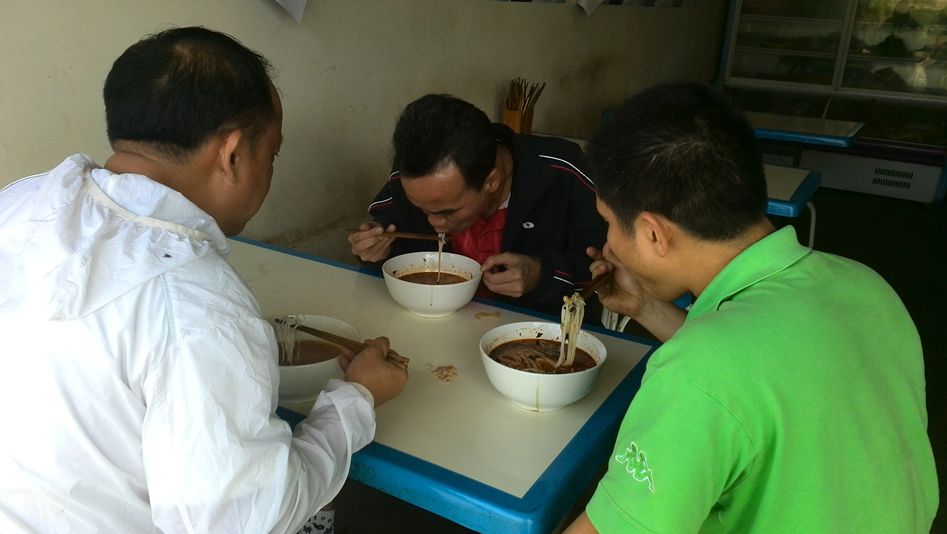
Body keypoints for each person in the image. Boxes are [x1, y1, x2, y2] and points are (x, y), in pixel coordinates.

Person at [0, 27, 407, 533]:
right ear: (232, 155)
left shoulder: (19, 202)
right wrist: (356, 400)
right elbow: (244, 521)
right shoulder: (198, 305)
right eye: (271, 154)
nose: (270, 168)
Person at [564, 83, 938, 532]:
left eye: (608, 222)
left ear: (653, 234)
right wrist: (644, 306)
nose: (608, 242)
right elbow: (754, 372)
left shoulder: (698, 371)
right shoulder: (866, 286)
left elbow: (718, 376)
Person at [347, 94, 606, 316]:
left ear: (491, 181)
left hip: (540, 335)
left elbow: (607, 274)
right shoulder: (415, 173)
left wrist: (541, 275)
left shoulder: (565, 174)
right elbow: (388, 226)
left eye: (447, 211)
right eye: (420, 207)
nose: (433, 222)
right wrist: (374, 248)